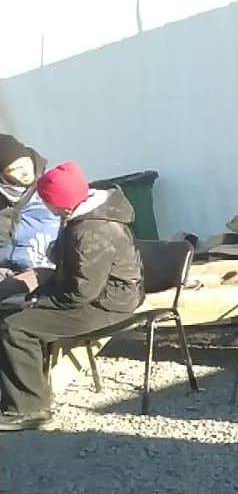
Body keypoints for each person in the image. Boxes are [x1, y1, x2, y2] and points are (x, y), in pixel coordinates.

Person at [0, 162, 144, 432]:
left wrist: (38, 301)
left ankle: (30, 409)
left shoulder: (93, 229)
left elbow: (82, 291)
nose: (45, 206)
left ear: (60, 203)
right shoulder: (81, 217)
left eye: (46, 201)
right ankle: (21, 392)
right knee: (8, 309)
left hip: (108, 304)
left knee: (17, 327)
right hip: (94, 295)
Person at [0, 135, 60, 310]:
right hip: (8, 268)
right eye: (15, 169)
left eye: (25, 163)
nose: (25, 172)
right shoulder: (5, 201)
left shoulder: (52, 187)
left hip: (45, 268)